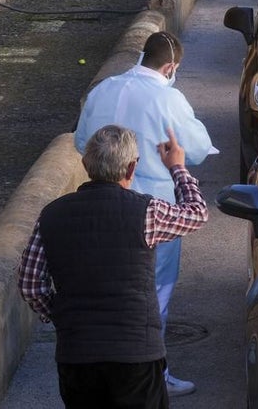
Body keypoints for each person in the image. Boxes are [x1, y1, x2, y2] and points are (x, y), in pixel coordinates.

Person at [19, 125, 209, 409]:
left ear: (86, 164)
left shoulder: (51, 215)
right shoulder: (147, 212)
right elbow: (197, 213)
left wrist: (62, 316)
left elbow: (30, 285)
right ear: (131, 168)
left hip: (77, 355)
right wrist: (177, 168)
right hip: (136, 354)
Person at [73, 31, 218, 398]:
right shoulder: (168, 98)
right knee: (153, 293)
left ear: (142, 55)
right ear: (170, 67)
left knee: (102, 286)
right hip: (151, 206)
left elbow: (81, 141)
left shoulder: (103, 89)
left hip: (98, 201)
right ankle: (154, 372)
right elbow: (196, 149)